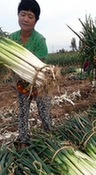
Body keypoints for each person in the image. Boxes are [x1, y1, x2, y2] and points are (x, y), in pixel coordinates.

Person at [10, 0, 52, 148]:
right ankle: (23, 140)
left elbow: (39, 65)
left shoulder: (39, 40)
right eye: (23, 14)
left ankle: (49, 135)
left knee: (44, 111)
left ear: (36, 20)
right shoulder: (11, 39)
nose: (25, 19)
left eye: (30, 16)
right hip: (21, 84)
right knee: (22, 112)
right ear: (18, 15)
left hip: (39, 83)